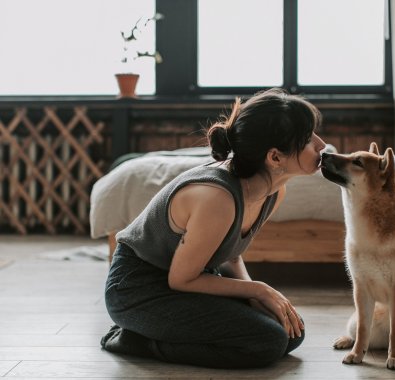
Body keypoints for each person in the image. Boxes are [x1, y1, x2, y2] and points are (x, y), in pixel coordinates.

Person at [100, 87, 326, 369]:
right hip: (139, 290)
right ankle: (135, 340)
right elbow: (181, 280)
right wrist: (258, 290)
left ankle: (162, 332)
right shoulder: (216, 198)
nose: (321, 145)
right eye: (308, 139)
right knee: (267, 341)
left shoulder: (273, 191)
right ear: (275, 158)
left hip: (191, 279)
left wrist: (253, 295)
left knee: (292, 333)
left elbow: (231, 253)